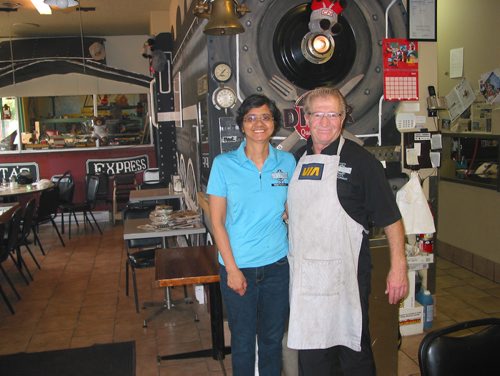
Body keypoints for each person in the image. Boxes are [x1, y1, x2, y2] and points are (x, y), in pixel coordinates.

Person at [286, 87, 408, 375]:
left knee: (352, 351)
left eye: (334, 114)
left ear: (343, 118)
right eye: (319, 114)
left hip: (346, 278)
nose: (326, 122)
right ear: (307, 118)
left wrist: (398, 267)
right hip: (306, 282)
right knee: (313, 356)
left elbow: (391, 219)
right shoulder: (297, 159)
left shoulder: (361, 161)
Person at [207, 94, 296, 375]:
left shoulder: (287, 162)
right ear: (242, 125)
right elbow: (217, 221)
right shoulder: (223, 164)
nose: (259, 123)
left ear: (274, 124)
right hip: (239, 266)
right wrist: (232, 269)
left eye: (266, 117)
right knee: (244, 341)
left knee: (272, 340)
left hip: (277, 266)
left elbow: (290, 207)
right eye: (251, 118)